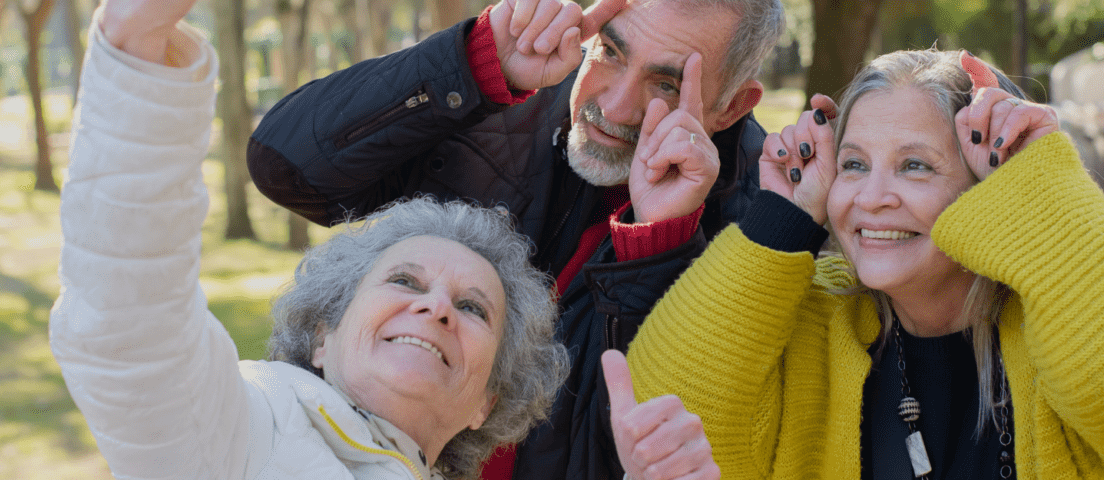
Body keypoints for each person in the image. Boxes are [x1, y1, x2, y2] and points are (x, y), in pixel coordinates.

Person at [50, 2, 718, 479]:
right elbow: (125, 323)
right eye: (404, 281)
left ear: (489, 400)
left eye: (475, 308)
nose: (436, 309)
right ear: (322, 334)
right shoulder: (237, 434)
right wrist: (136, 52)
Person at [245, 0, 784, 477]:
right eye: (612, 53)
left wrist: (657, 243)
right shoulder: (507, 93)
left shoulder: (767, 225)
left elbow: (638, 446)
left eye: (666, 85)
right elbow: (286, 168)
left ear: (732, 106)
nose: (615, 108)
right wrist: (474, 62)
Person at [625, 49, 1104, 479]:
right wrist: (782, 219)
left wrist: (1040, 180)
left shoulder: (1064, 322)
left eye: (915, 166)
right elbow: (667, 407)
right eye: (854, 165)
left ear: (989, 183)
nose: (872, 196)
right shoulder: (814, 316)